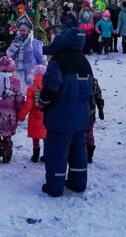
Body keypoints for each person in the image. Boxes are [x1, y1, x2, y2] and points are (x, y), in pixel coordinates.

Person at [40, 28, 93, 197]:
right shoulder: (84, 61)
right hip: (81, 116)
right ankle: (78, 182)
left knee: (57, 152)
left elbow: (52, 87)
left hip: (60, 116)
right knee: (78, 151)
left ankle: (54, 187)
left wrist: (43, 102)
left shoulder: (58, 61)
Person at [6, 14, 47, 90]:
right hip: (17, 74)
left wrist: (42, 75)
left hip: (31, 76)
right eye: (20, 30)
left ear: (28, 31)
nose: (22, 32)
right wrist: (14, 47)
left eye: (24, 30)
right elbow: (9, 56)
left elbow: (42, 61)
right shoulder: (15, 42)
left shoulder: (36, 44)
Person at [18, 65, 47, 163]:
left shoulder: (31, 88)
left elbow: (28, 105)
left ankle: (35, 155)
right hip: (47, 116)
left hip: (35, 116)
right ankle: (46, 155)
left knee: (36, 137)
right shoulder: (49, 87)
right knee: (46, 137)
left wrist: (21, 116)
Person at [86, 77, 105, 163]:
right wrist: (100, 109)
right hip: (91, 112)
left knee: (80, 134)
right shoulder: (94, 81)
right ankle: (89, 155)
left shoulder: (75, 80)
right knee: (89, 134)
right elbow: (98, 96)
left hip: (79, 113)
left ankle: (82, 153)